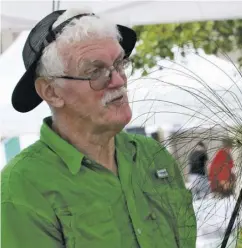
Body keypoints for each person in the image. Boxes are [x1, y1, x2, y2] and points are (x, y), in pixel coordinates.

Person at [1, 8, 196, 248]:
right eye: (95, 72)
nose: (118, 80)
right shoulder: (24, 183)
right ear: (51, 92)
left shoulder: (154, 156)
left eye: (119, 64)